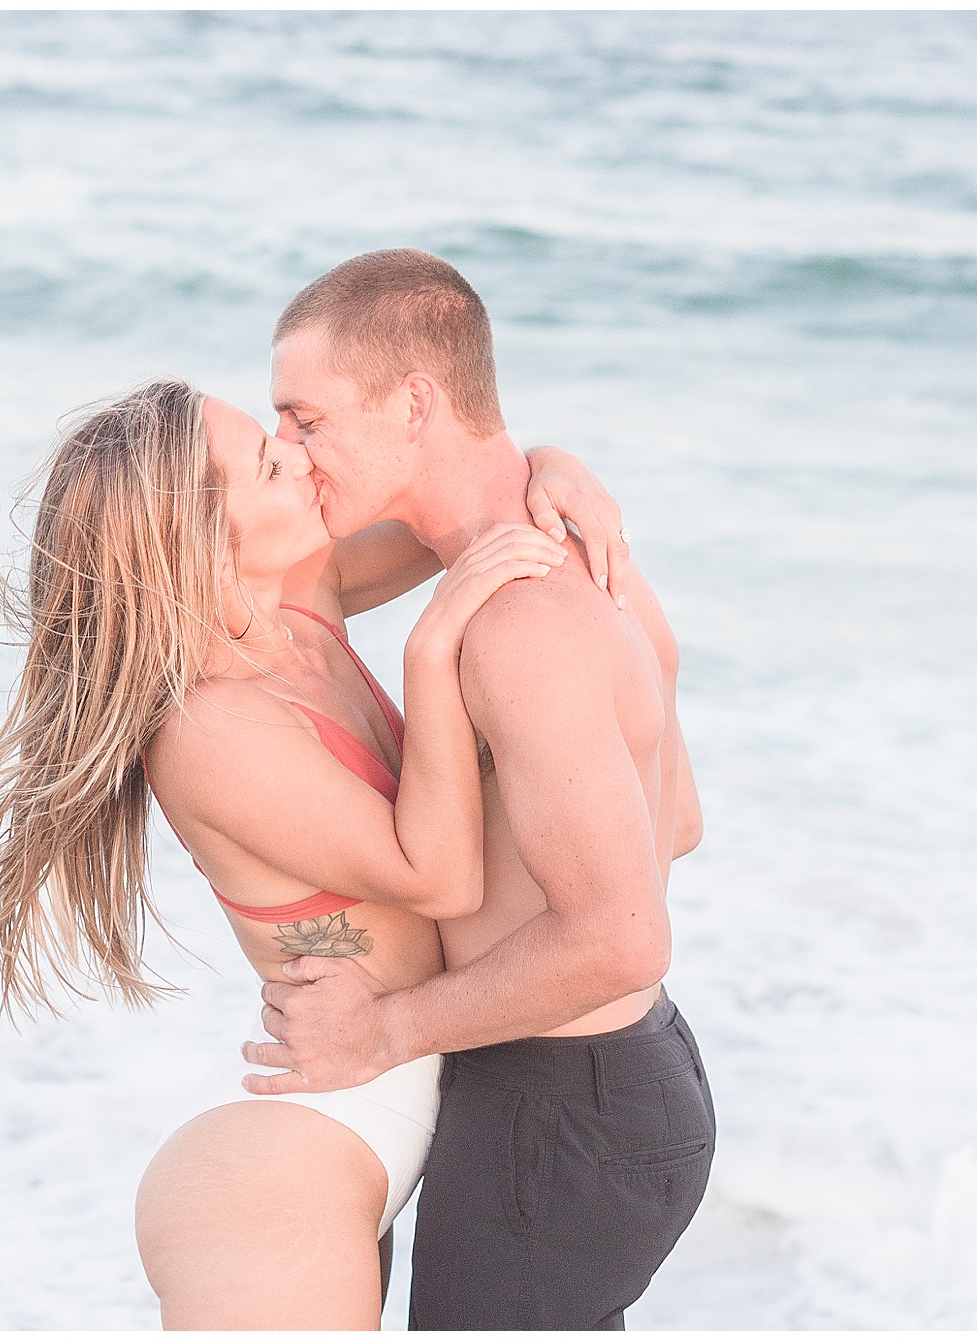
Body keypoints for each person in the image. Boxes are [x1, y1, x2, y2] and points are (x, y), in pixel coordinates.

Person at [0, 377, 633, 1329]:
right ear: (205, 550)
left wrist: (556, 467)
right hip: (285, 1170)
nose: (298, 455)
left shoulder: (299, 600)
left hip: (385, 1096)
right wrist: (431, 652)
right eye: (266, 462)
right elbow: (442, 876)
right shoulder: (211, 728)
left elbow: (454, 513)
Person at [247, 248, 714, 1331]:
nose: (289, 450)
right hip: (622, 1079)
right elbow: (675, 825)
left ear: (413, 401)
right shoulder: (586, 557)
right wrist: (550, 458)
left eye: (305, 419)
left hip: (559, 1108)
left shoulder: (514, 628)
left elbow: (621, 938)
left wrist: (382, 1032)